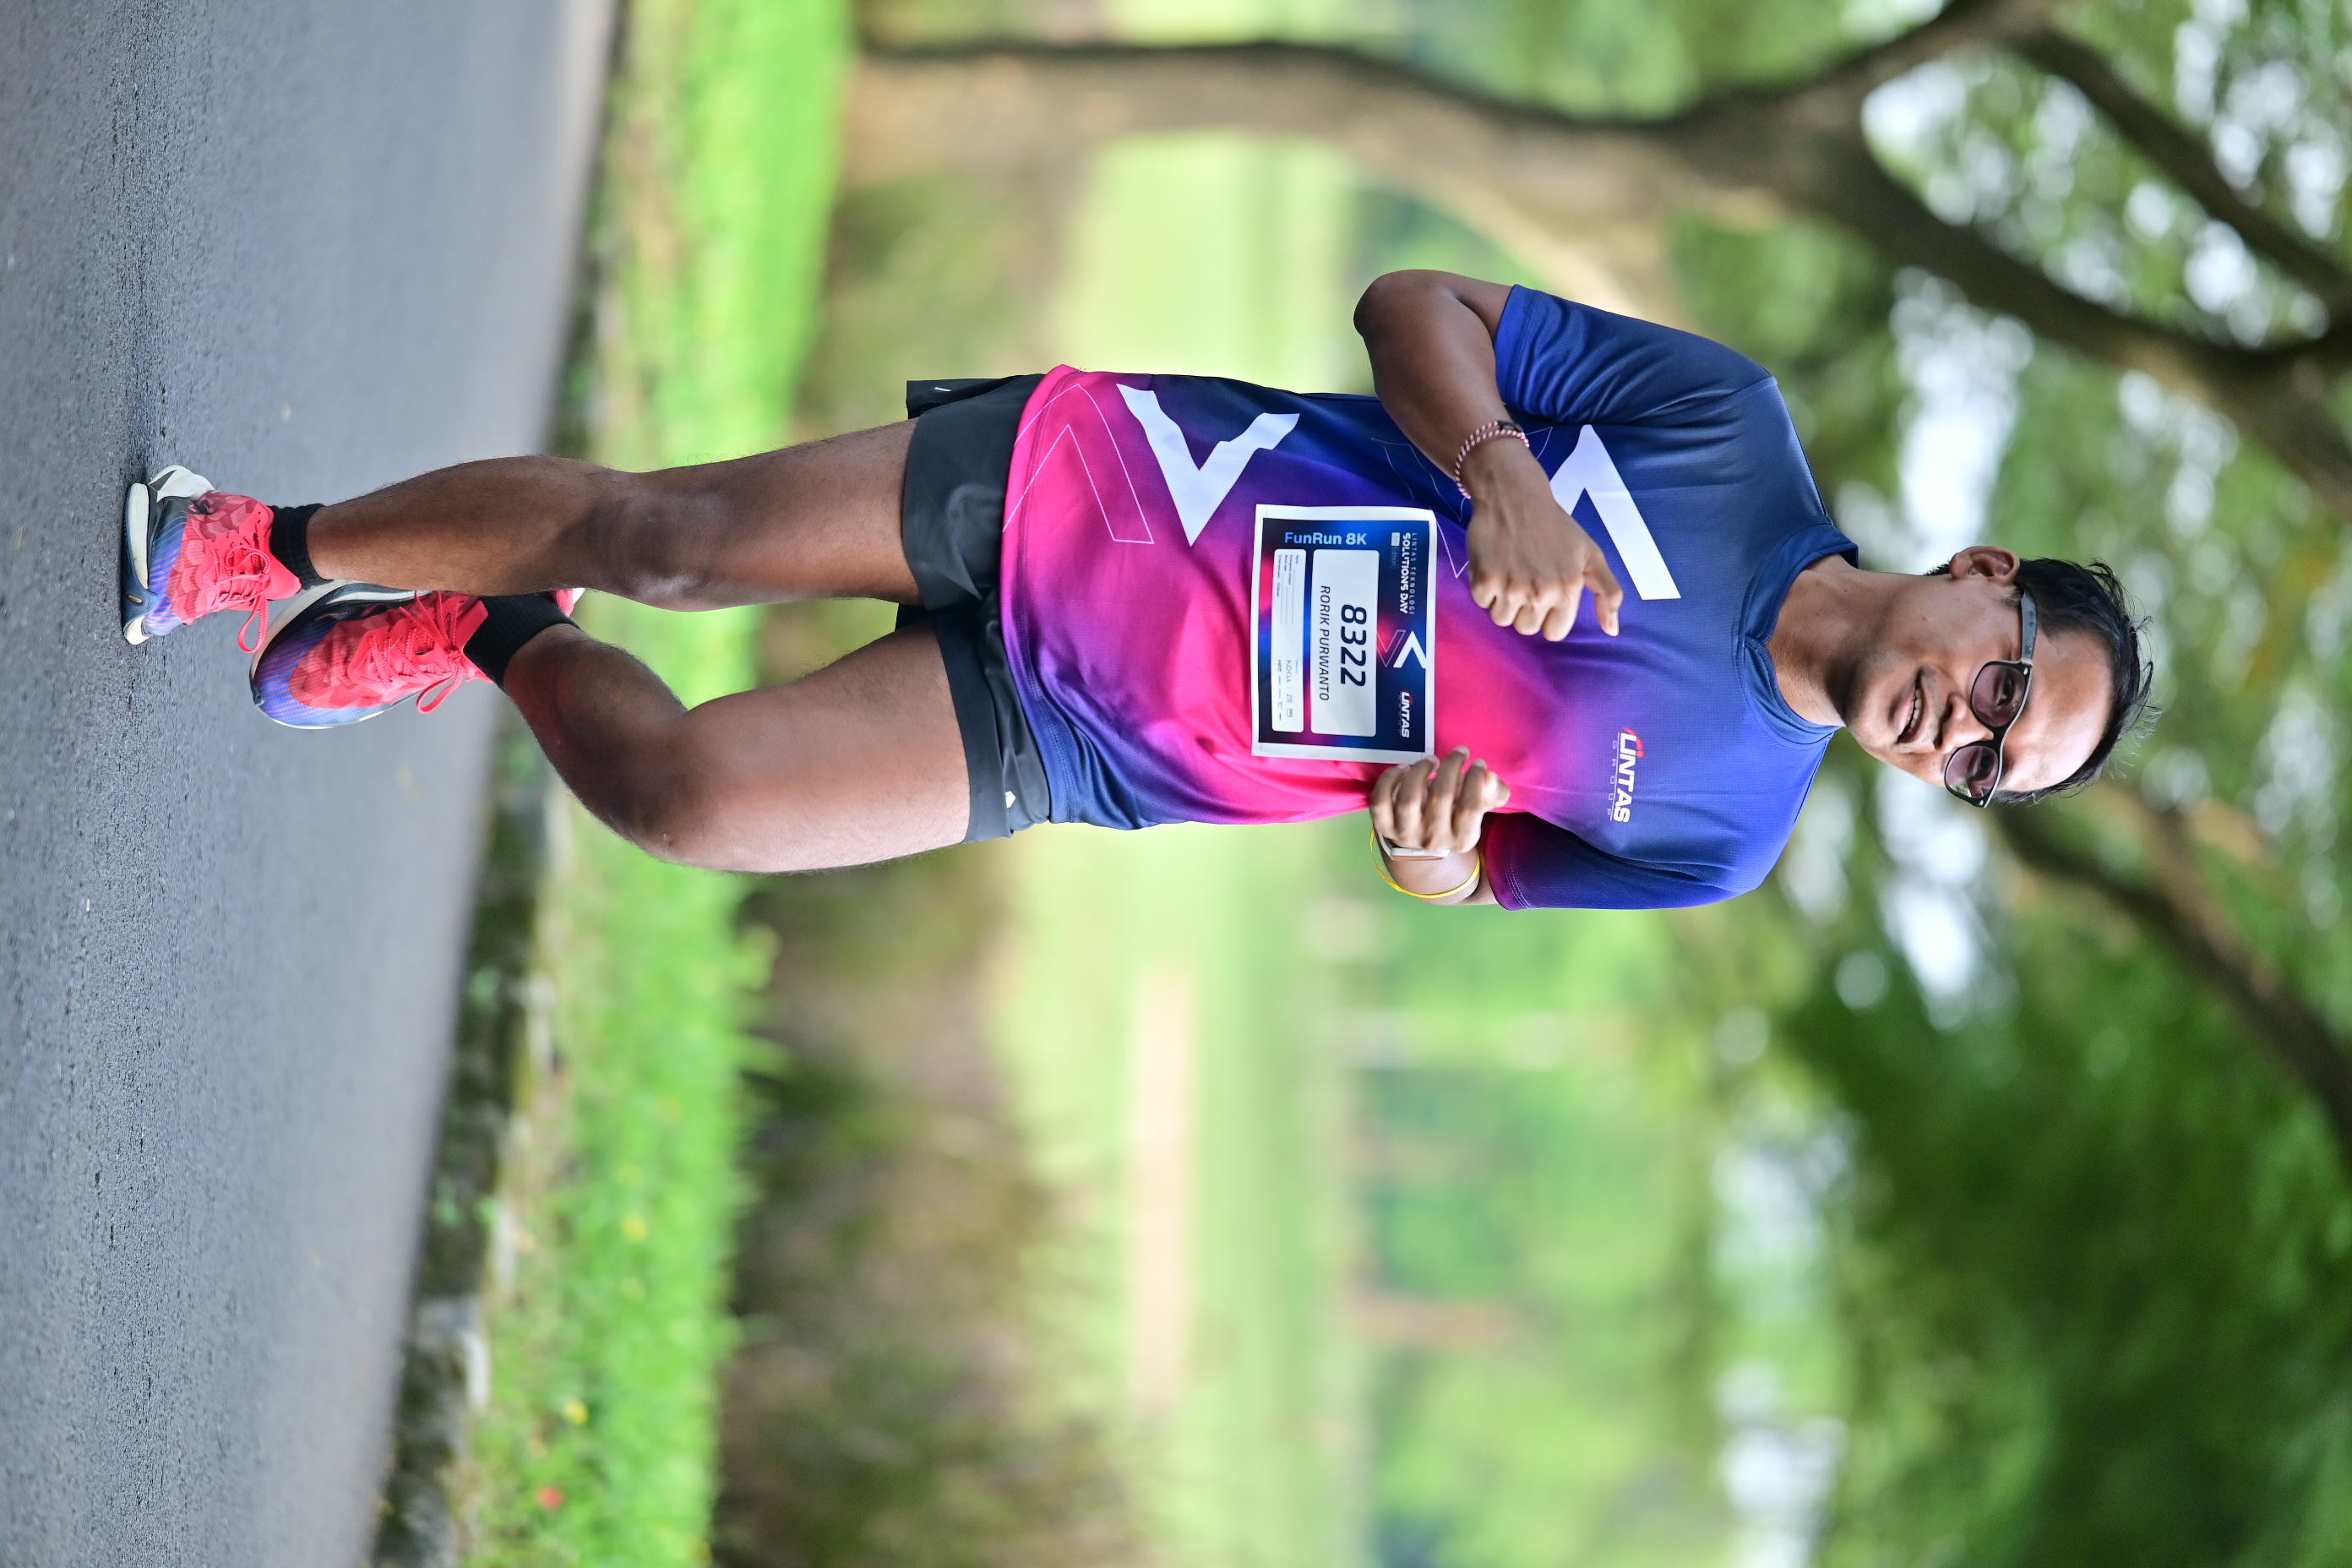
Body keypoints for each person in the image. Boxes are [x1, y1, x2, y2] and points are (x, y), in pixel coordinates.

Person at [118, 271, 2153, 908]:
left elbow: (1474, 878)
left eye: (1992, 766)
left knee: (689, 804)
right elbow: (1415, 306)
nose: (1960, 734)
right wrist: (1503, 473)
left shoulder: (1719, 838)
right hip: (1113, 497)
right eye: (2006, 687)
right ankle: (258, 541)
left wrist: (1427, 849)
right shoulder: (1729, 430)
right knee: (674, 539)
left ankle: (486, 628)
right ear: (1983, 582)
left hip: (1110, 741)